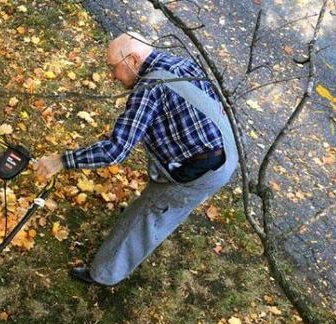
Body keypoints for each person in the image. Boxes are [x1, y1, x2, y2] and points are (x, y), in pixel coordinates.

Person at [35, 31, 238, 286]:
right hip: (225, 147)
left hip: (203, 170)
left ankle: (103, 274)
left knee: (148, 216)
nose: (112, 76)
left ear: (132, 60)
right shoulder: (179, 63)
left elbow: (116, 149)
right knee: (155, 203)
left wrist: (62, 160)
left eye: (114, 68)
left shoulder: (149, 89)